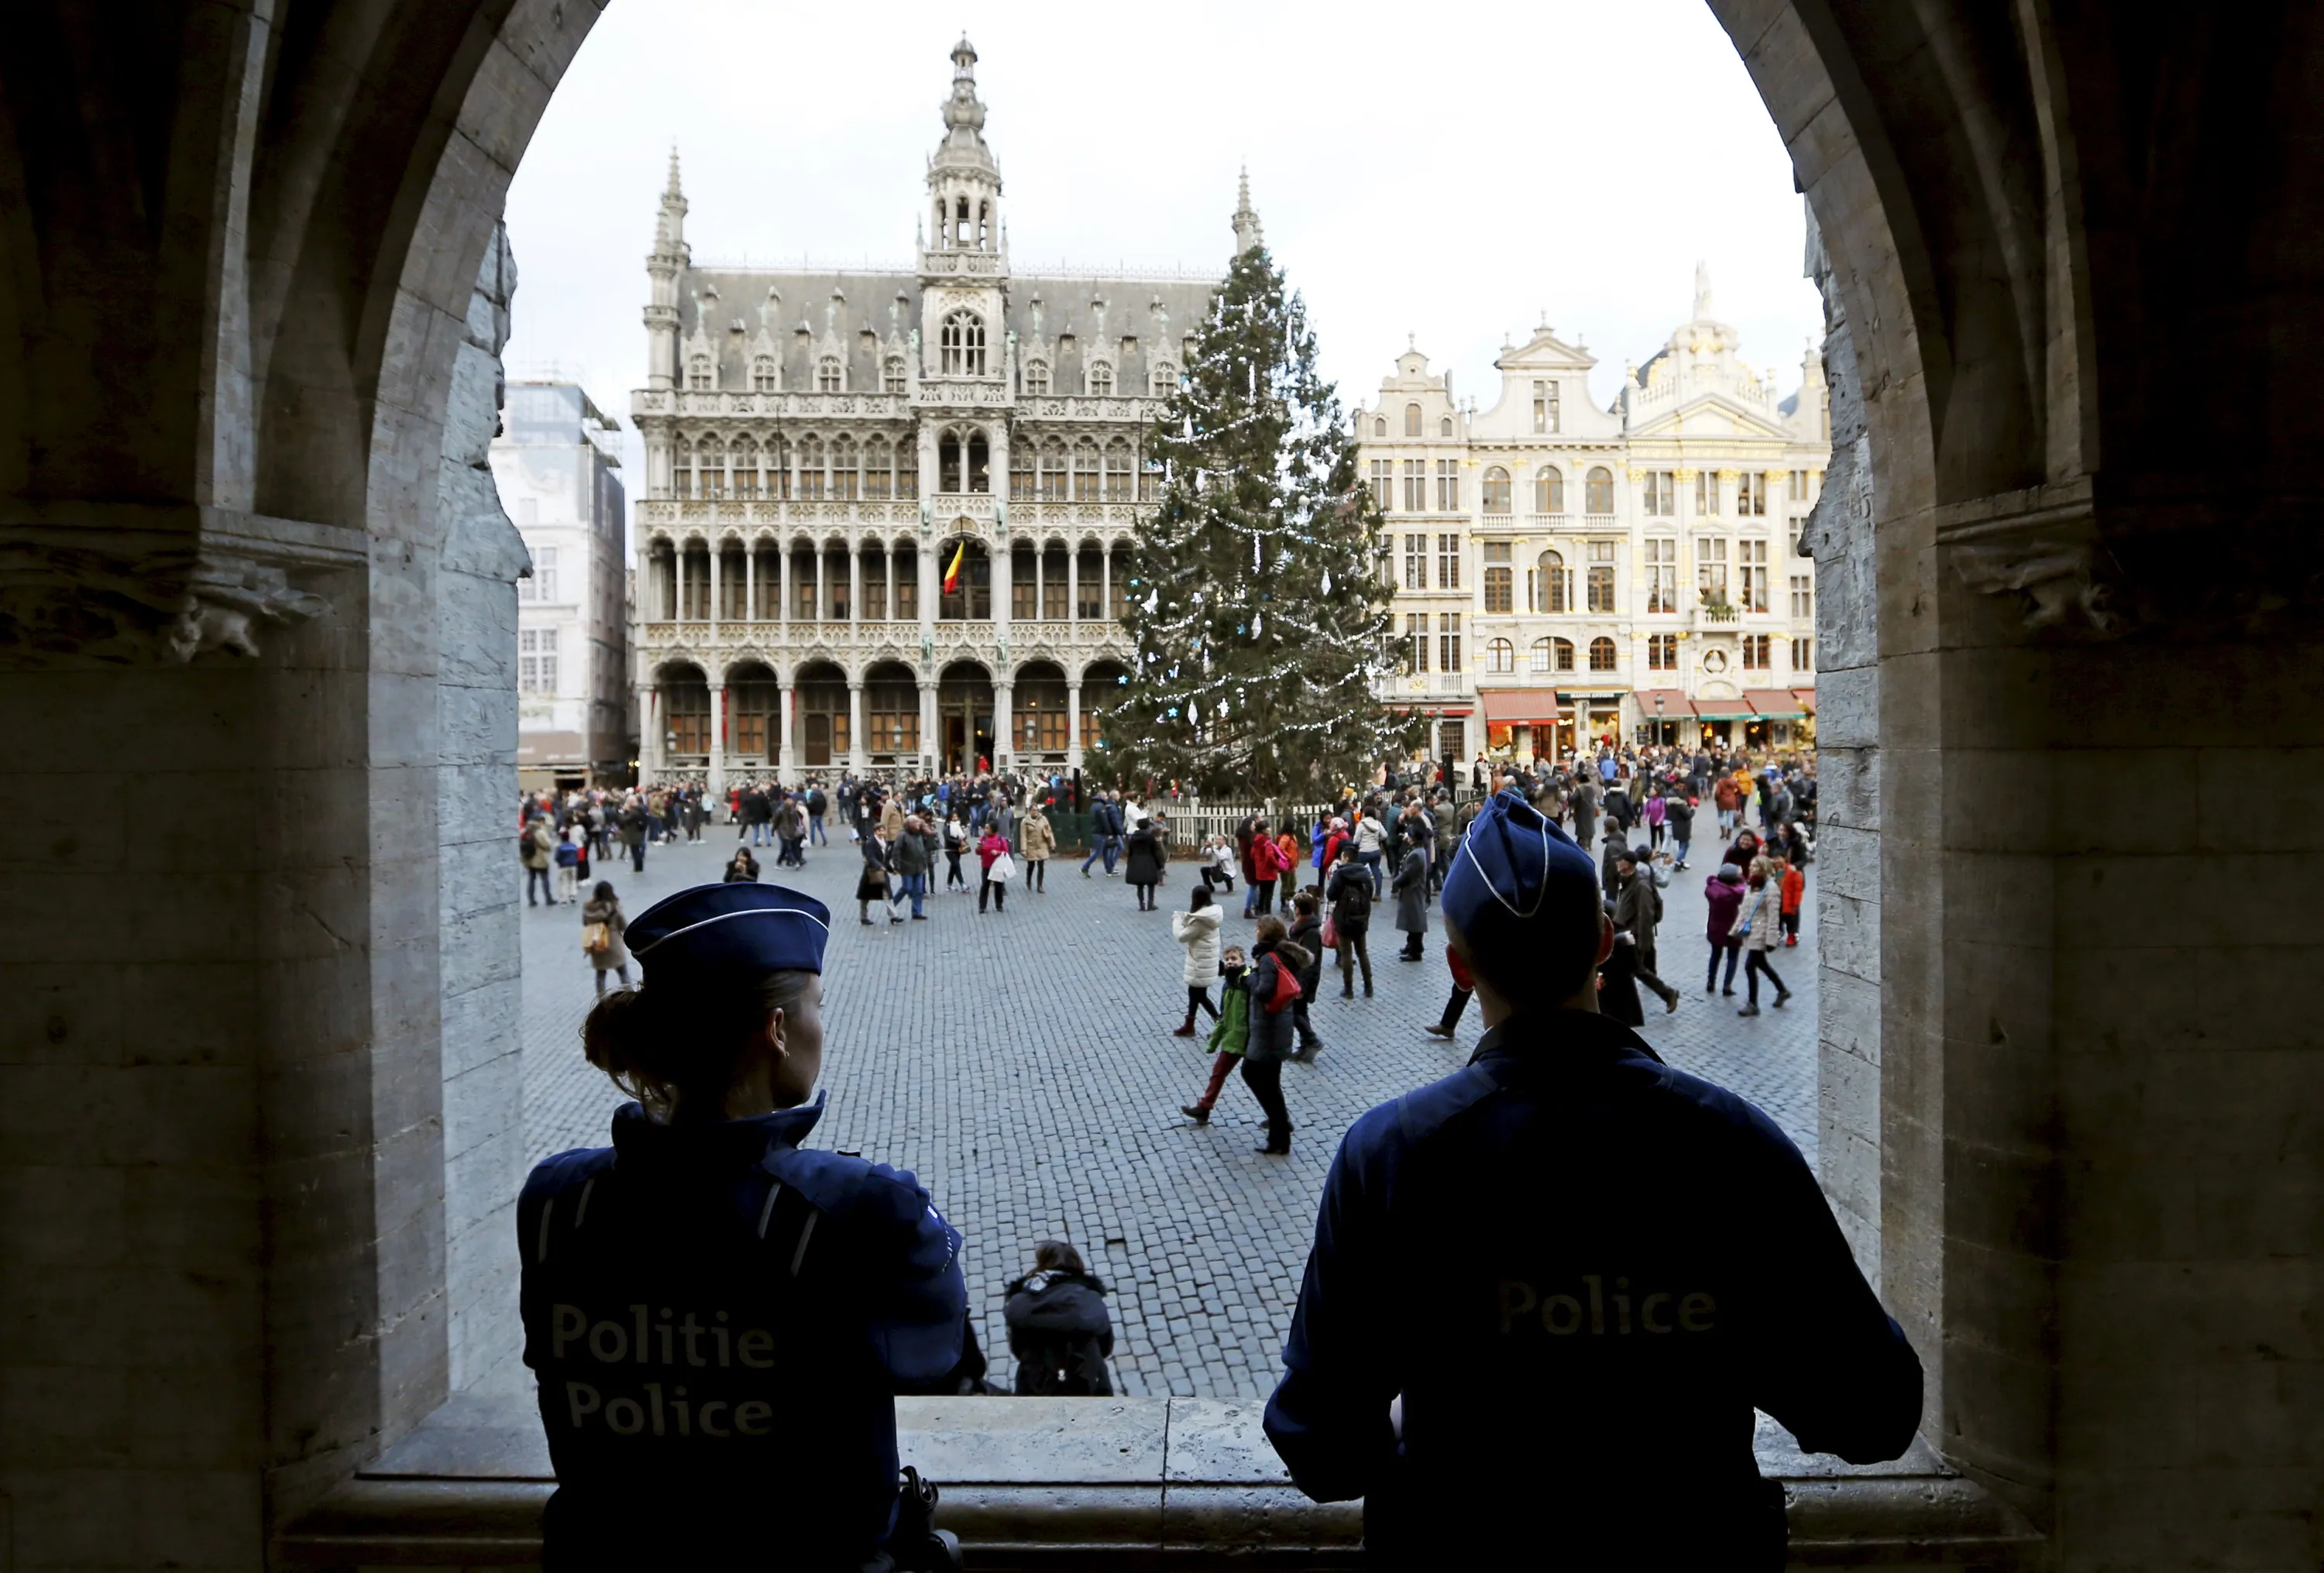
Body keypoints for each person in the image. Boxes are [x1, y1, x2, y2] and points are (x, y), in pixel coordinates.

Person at [1262, 789, 1923, 1567]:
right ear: (1605, 941)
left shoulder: (1389, 1155)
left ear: (1460, 968)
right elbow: (1874, 1411)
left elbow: (1321, 1446)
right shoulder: (1733, 1143)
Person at [519, 882, 982, 1570]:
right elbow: (942, 1360)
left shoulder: (558, 1201)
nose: (822, 1025)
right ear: (777, 1029)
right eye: (819, 1007)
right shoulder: (865, 1207)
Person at [1002, 1242, 1114, 1396]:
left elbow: (1017, 1347)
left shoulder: (1021, 1303)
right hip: (1087, 1379)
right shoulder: (1090, 1300)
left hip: (1035, 1381)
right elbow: (1105, 1345)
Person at [1243, 916, 1307, 1156]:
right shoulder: (1284, 954)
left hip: (1268, 1029)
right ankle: (1279, 1137)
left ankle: (1279, 1126)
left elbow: (1264, 992)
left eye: (1257, 928)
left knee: (1251, 1072)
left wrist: (1250, 976)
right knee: (1271, 1083)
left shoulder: (1268, 958)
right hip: (1279, 1026)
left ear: (1264, 932)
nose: (1255, 931)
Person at [1181, 944, 1250, 1125]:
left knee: (1260, 1080)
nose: (1230, 962)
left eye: (1234, 959)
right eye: (1227, 960)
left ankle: (1278, 1117)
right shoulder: (1228, 985)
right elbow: (1224, 1016)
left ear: (1243, 961)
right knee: (1218, 1072)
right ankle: (1204, 1108)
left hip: (1250, 1038)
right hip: (1234, 1037)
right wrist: (1215, 1039)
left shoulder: (1249, 982)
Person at [1612, 846, 1680, 1015]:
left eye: (1619, 861)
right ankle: (1667, 994)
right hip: (1624, 932)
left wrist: (1643, 942)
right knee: (1634, 970)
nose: (1617, 863)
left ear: (1627, 864)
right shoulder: (1627, 880)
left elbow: (1646, 915)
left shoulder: (1641, 885)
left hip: (1632, 934)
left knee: (1636, 969)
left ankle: (1668, 994)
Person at [1735, 857, 1792, 1015]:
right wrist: (1735, 930)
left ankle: (1753, 1004)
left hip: (1762, 932)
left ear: (1763, 868)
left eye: (1755, 866)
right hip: (1752, 931)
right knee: (1761, 964)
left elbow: (1774, 917)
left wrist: (1771, 940)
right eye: (1751, 865)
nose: (1751, 868)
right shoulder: (1752, 884)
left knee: (1749, 966)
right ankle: (1782, 990)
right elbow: (1745, 910)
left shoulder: (1771, 888)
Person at [1171, 886, 1225, 1036]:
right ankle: (1190, 1025)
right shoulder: (1212, 914)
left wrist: (1177, 920)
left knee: (1199, 995)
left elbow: (1181, 936)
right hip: (1207, 960)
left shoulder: (1199, 922)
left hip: (1200, 963)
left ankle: (1220, 1022)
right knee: (1195, 993)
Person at [1325, 844, 1374, 998]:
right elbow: (1370, 893)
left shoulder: (1340, 874)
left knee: (1346, 953)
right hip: (1361, 917)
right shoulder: (1365, 873)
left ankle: (1348, 990)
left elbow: (1331, 895)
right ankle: (1369, 988)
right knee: (1362, 952)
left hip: (1344, 918)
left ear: (1346, 857)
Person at [1284, 889, 1326, 1062]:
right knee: (1300, 1012)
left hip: (1302, 980)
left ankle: (1312, 1040)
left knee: (1295, 1012)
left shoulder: (1310, 933)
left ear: (1299, 910)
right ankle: (1305, 1046)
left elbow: (1310, 964)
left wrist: (1302, 986)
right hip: (1295, 977)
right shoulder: (1298, 927)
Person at [1704, 861, 1748, 996]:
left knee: (1715, 955)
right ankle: (1727, 986)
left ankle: (1711, 982)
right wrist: (1741, 876)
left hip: (1715, 926)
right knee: (1732, 957)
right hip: (1732, 927)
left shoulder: (1711, 889)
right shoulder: (1735, 894)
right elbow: (1743, 887)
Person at [580, 881, 630, 995]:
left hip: (598, 942)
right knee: (623, 972)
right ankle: (629, 995)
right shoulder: (614, 906)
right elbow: (623, 925)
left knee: (600, 974)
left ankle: (601, 998)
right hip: (613, 942)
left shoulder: (589, 907)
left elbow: (585, 923)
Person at [1390, 836, 1428, 961]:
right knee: (1412, 921)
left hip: (1413, 890)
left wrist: (1397, 881)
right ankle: (1411, 945)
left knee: (1415, 921)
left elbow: (1408, 873)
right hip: (1413, 890)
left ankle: (1416, 951)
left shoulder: (1416, 854)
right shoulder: (1417, 851)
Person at [890, 812, 930, 921]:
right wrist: (897, 865)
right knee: (907, 888)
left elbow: (924, 847)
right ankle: (892, 905)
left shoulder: (920, 834)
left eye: (918, 822)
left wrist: (925, 862)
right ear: (909, 824)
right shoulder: (903, 835)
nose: (918, 824)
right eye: (915, 822)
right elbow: (896, 851)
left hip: (919, 867)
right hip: (907, 867)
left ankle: (917, 912)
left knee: (918, 891)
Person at [857, 826, 897, 926]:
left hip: (882, 873)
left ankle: (894, 916)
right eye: (879, 831)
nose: (882, 832)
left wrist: (891, 870)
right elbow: (871, 858)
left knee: (887, 894)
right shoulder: (870, 843)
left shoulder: (885, 842)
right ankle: (864, 917)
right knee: (865, 896)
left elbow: (885, 859)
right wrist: (879, 866)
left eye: (883, 830)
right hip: (871, 873)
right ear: (875, 831)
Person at [1124, 816, 1164, 912]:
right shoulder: (1150, 837)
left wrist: (1129, 863)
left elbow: (1130, 852)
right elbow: (1156, 851)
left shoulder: (1133, 837)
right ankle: (1150, 903)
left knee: (1140, 885)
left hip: (1136, 861)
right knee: (1151, 884)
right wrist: (1160, 864)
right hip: (1149, 861)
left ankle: (1141, 904)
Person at [1081, 792, 1122, 878]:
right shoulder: (1101, 807)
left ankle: (1109, 870)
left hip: (1097, 831)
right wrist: (1109, 833)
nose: (1107, 798)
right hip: (1100, 832)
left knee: (1105, 852)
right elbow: (1105, 821)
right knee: (1098, 852)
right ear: (1102, 796)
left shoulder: (1094, 806)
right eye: (1106, 796)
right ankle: (1085, 867)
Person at [1019, 802, 1054, 894]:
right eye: (1033, 810)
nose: (1035, 812)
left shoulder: (1043, 819)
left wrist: (1052, 843)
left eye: (1037, 810)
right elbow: (1023, 836)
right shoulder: (1025, 822)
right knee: (1031, 866)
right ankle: (1028, 880)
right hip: (1031, 846)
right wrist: (1024, 849)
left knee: (1041, 866)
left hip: (1041, 845)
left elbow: (1049, 831)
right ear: (1030, 811)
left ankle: (1040, 885)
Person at [976, 824, 1012, 914]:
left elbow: (1006, 852)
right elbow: (978, 852)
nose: (985, 830)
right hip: (986, 865)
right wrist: (979, 849)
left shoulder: (1000, 839)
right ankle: (982, 906)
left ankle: (999, 905)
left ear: (993, 830)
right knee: (985, 886)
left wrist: (998, 852)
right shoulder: (983, 839)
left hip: (997, 866)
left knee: (998, 885)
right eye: (985, 828)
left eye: (987, 828)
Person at [522, 814, 556, 907]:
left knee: (531, 880)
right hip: (540, 859)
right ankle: (548, 898)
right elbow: (547, 844)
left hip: (529, 859)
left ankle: (531, 899)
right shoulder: (539, 832)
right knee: (545, 879)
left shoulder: (526, 831)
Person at [1666, 788, 1697, 872]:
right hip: (1683, 827)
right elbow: (1687, 815)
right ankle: (1678, 862)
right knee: (1684, 845)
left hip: (1676, 826)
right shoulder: (1681, 805)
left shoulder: (1671, 804)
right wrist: (1693, 810)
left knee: (1684, 845)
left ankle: (1681, 861)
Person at [1780, 857, 1806, 946]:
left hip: (1789, 902)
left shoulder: (1793, 872)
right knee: (1778, 918)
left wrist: (1796, 903)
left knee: (1791, 919)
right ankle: (1779, 932)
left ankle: (1792, 935)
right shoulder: (1778, 871)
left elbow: (1797, 890)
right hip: (1780, 901)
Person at [942, 812, 969, 893]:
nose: (955, 818)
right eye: (953, 817)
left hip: (957, 849)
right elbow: (948, 839)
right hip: (949, 850)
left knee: (953, 867)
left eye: (956, 817)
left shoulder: (958, 826)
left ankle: (949, 884)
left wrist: (963, 838)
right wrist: (959, 842)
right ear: (949, 818)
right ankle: (963, 884)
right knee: (957, 866)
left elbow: (962, 836)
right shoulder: (946, 828)